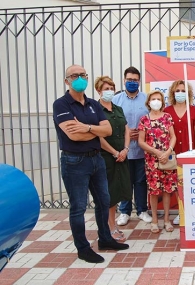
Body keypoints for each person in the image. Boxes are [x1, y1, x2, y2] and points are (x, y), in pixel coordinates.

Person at [53, 65, 129, 264]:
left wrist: (86, 126)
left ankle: (105, 239)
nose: (80, 78)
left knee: (104, 201)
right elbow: (73, 134)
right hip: (74, 161)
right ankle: (83, 248)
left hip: (97, 158)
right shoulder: (61, 105)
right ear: (67, 80)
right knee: (78, 206)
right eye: (75, 75)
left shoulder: (94, 105)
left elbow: (108, 130)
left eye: (83, 75)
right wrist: (95, 130)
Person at [112, 67, 152, 226]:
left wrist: (141, 133)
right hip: (124, 149)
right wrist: (127, 134)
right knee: (125, 181)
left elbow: (153, 120)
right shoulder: (116, 100)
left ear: (139, 81)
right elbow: (113, 122)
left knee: (141, 181)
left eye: (135, 80)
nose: (132, 82)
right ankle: (125, 211)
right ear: (124, 80)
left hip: (143, 149)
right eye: (129, 80)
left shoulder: (147, 99)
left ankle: (142, 210)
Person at [95, 76, 132, 242]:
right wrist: (115, 153)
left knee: (118, 192)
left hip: (122, 156)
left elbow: (126, 130)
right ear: (99, 90)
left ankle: (112, 225)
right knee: (107, 194)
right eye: (106, 88)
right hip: (106, 158)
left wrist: (125, 149)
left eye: (111, 88)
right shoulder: (95, 110)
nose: (109, 91)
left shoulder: (118, 108)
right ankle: (110, 227)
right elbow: (97, 136)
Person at [164, 80, 195, 225]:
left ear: (188, 94)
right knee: (176, 184)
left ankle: (192, 212)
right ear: (173, 93)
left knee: (189, 183)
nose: (180, 93)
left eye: (183, 91)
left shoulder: (194, 110)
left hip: (189, 152)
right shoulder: (166, 111)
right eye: (177, 90)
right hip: (173, 153)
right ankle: (181, 212)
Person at [138, 90, 178, 234]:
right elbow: (141, 141)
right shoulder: (144, 119)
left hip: (167, 159)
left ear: (163, 102)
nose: (156, 101)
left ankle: (166, 220)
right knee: (154, 191)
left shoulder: (167, 117)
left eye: (159, 99)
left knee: (167, 190)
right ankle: (154, 220)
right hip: (151, 161)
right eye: (153, 99)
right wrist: (156, 152)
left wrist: (168, 152)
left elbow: (173, 137)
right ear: (148, 102)